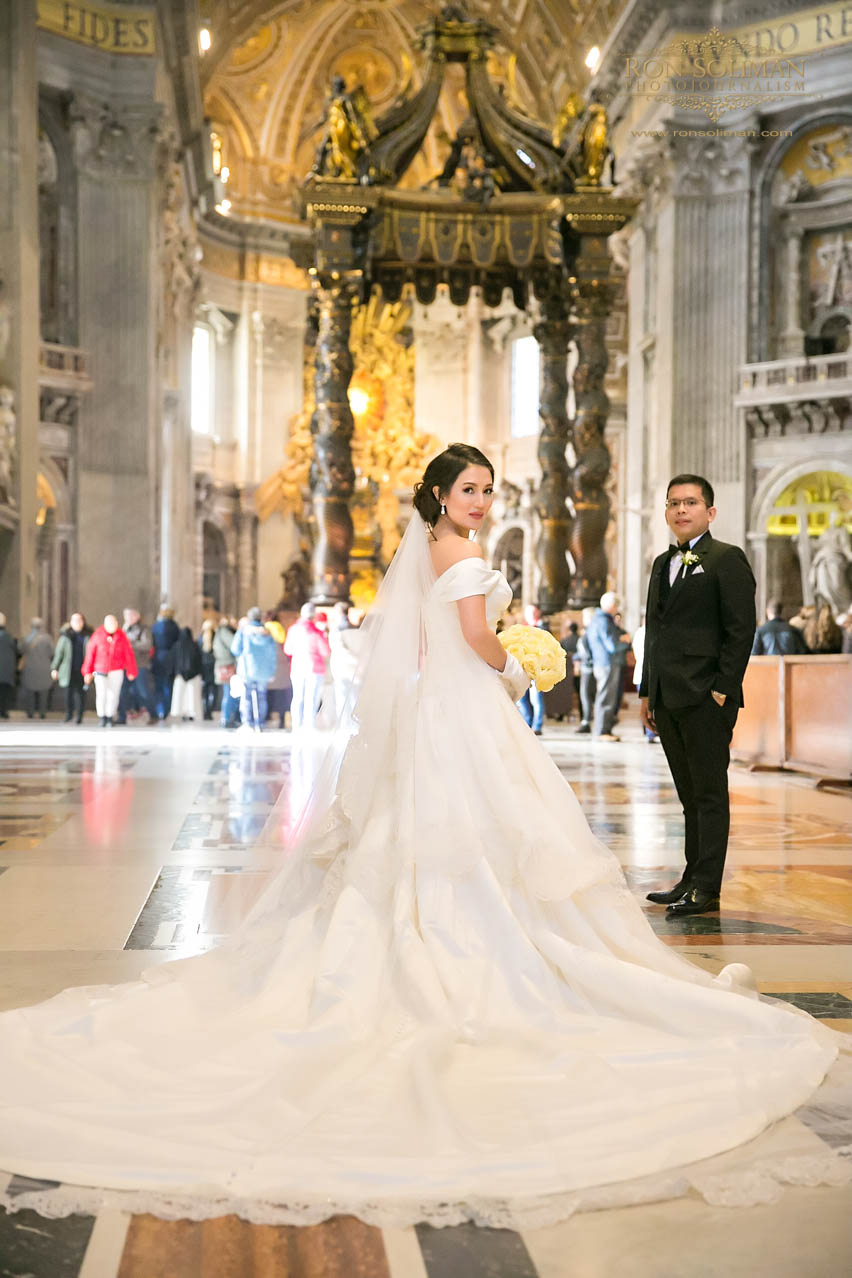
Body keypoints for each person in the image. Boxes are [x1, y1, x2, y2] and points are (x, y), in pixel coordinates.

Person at [0, 445, 842, 1231]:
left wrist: (497, 656)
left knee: (431, 838)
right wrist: (517, 668)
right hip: (467, 711)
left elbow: (429, 641)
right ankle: (478, 951)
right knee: (491, 833)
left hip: (432, 711)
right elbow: (477, 640)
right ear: (441, 495)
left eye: (487, 491)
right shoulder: (466, 558)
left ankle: (437, 932)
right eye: (470, 490)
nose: (480, 502)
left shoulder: (430, 553)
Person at [639, 474, 756, 917]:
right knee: (688, 795)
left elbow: (741, 630)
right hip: (668, 697)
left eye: (690, 502)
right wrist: (648, 692)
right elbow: (655, 631)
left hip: (707, 697)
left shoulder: (727, 559)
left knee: (709, 794)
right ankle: (690, 878)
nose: (680, 510)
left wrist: (723, 690)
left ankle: (707, 888)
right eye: (673, 503)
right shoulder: (660, 563)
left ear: (709, 511)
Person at [586, 592, 630, 741]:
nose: (617, 610)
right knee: (606, 697)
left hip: (601, 662)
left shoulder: (596, 619)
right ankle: (602, 731)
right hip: (607, 663)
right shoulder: (604, 620)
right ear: (612, 606)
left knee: (604, 696)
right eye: (616, 606)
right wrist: (625, 641)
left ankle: (604, 730)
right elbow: (612, 645)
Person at [81, 614, 138, 727]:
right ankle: (102, 716)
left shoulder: (122, 637)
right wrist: (87, 672)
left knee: (113, 694)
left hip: (116, 669)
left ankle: (110, 716)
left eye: (114, 622)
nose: (112, 625)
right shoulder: (97, 636)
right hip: (100, 670)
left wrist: (131, 670)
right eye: (110, 623)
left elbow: (128, 654)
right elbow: (90, 655)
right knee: (101, 693)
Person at [284, 602, 331, 732]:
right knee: (312, 697)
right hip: (314, 667)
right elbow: (325, 651)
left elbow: (288, 650)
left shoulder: (293, 629)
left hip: (297, 666)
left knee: (297, 696)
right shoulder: (316, 632)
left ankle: (296, 725)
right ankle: (309, 725)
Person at [231, 607, 277, 732]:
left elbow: (235, 649)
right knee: (262, 697)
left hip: (247, 669)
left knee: (246, 697)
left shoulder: (244, 632)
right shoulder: (267, 633)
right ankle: (260, 724)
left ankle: (248, 723)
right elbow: (273, 654)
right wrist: (272, 671)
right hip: (263, 670)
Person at [51, 612, 92, 723]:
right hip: (68, 670)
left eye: (79, 620)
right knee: (68, 694)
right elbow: (59, 653)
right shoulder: (65, 636)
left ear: (83, 622)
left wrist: (91, 670)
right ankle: (69, 714)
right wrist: (54, 668)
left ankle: (79, 716)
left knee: (81, 694)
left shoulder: (88, 636)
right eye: (74, 620)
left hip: (83, 670)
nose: (77, 623)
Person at [117, 610, 157, 724]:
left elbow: (147, 645)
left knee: (143, 690)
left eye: (131, 615)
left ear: (137, 616)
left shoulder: (144, 629)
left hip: (139, 664)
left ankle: (153, 714)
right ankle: (122, 716)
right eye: (126, 615)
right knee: (123, 691)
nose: (128, 618)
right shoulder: (123, 630)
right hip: (125, 665)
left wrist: (130, 644)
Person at [328, 603, 365, 719]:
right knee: (353, 697)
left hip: (342, 666)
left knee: (343, 698)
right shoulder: (354, 629)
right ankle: (352, 723)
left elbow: (338, 648)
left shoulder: (337, 629)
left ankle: (345, 725)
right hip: (354, 667)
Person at [517, 603, 546, 735]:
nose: (532, 615)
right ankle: (527, 723)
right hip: (523, 668)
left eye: (534, 612)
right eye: (529, 612)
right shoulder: (522, 629)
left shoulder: (543, 627)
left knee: (536, 699)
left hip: (537, 669)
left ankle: (537, 726)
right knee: (522, 699)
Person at [20, 618, 54, 719]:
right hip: (44, 668)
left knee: (30, 692)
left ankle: (30, 712)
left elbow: (21, 650)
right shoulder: (47, 638)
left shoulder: (26, 638)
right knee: (44, 693)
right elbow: (52, 652)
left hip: (30, 668)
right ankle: (42, 712)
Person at [631, 613, 657, 742]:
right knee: (649, 703)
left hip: (641, 671)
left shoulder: (638, 633)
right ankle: (650, 732)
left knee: (646, 703)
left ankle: (648, 731)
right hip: (646, 672)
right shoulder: (645, 633)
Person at [264, 611, 292, 729]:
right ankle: (281, 719)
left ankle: (266, 716)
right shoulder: (279, 627)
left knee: (267, 692)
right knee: (282, 693)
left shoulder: (264, 628)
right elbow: (284, 642)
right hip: (281, 662)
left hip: (268, 663)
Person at [151, 606, 179, 720]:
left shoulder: (156, 626)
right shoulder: (174, 626)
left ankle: (159, 709)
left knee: (158, 686)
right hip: (170, 658)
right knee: (168, 685)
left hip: (157, 657)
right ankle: (166, 710)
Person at [169, 627, 203, 722]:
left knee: (180, 695)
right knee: (192, 696)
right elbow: (199, 660)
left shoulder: (176, 646)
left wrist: (173, 672)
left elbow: (173, 661)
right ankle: (192, 713)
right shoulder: (195, 645)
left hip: (180, 675)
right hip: (194, 674)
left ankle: (179, 713)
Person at [213, 616, 239, 728]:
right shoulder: (224, 632)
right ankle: (227, 718)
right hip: (227, 665)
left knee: (228, 692)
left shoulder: (220, 632)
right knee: (229, 693)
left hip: (224, 664)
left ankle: (228, 717)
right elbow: (235, 646)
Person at [574, 607, 596, 733]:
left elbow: (586, 652)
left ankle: (586, 721)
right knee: (586, 695)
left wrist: (581, 659)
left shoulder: (590, 632)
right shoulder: (588, 631)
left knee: (586, 695)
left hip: (588, 668)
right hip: (588, 667)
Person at [198, 619, 217, 720]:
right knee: (213, 689)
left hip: (203, 666)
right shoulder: (216, 636)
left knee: (204, 689)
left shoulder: (200, 638)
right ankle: (210, 710)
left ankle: (205, 711)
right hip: (213, 665)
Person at [0, 613, 17, 719]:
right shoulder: (9, 637)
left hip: (5, 671)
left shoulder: (8, 637)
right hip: (6, 672)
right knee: (4, 693)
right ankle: (3, 711)